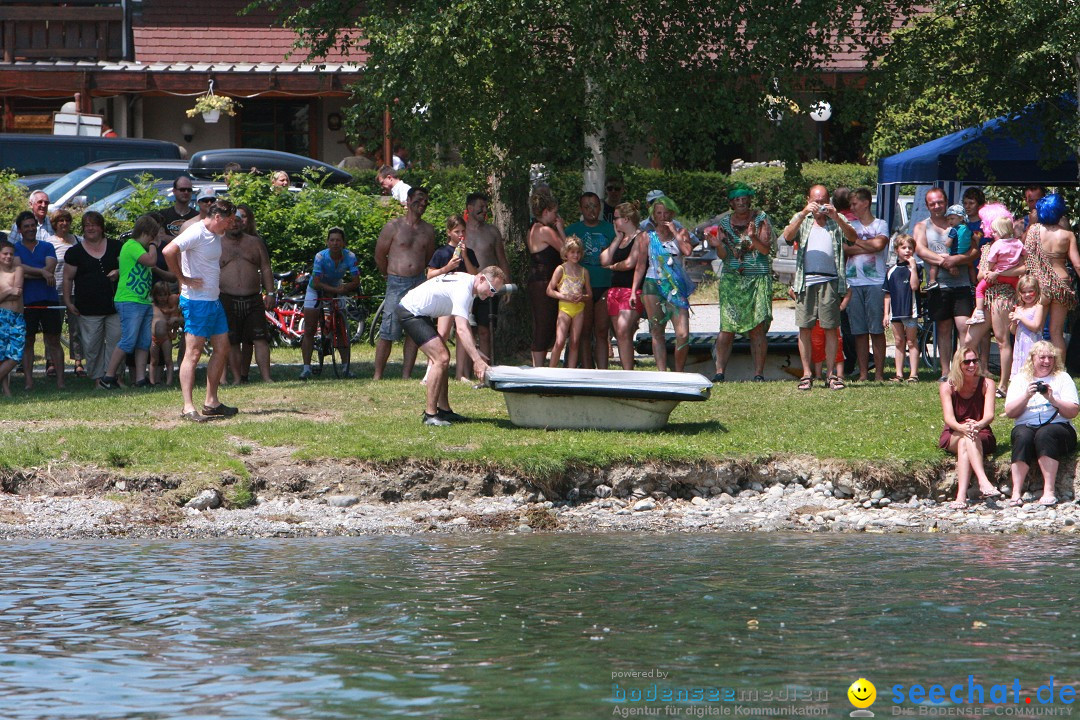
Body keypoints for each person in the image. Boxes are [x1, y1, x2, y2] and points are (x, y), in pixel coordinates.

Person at [396, 266, 506, 426]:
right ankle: (430, 415)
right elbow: (460, 329)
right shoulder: (463, 289)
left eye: (494, 292)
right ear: (481, 278)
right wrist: (477, 360)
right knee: (441, 358)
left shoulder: (468, 286)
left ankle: (444, 410)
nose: (491, 295)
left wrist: (474, 350)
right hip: (410, 312)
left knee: (443, 357)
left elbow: (464, 325)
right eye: (491, 289)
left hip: (419, 313)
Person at [161, 199, 239, 423]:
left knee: (222, 348)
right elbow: (168, 250)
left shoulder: (216, 234)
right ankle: (187, 407)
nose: (230, 225)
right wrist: (182, 278)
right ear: (217, 218)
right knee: (193, 354)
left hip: (213, 300)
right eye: (229, 221)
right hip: (196, 302)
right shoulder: (196, 232)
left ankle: (211, 402)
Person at [780, 184, 858, 390]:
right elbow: (787, 236)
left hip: (831, 282)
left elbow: (853, 237)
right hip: (805, 282)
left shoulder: (836, 220)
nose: (820, 205)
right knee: (804, 328)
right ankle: (807, 375)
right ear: (808, 200)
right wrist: (803, 213)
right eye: (816, 201)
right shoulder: (802, 219)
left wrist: (837, 217)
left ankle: (831, 375)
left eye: (824, 201)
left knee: (831, 328)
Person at [706, 183, 773, 383]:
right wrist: (718, 245)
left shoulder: (761, 219)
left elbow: (765, 250)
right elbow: (724, 254)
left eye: (745, 199)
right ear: (732, 203)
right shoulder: (725, 224)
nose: (742, 203)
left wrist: (753, 236)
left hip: (757, 277)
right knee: (727, 327)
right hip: (732, 279)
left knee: (757, 328)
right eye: (737, 200)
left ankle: (758, 373)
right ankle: (719, 372)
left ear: (750, 201)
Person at [1004, 340, 1079, 506]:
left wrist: (1052, 399)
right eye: (1042, 357)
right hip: (1027, 426)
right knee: (1022, 436)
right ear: (1032, 358)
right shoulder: (1020, 379)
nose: (1047, 361)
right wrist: (1026, 396)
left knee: (1045, 434)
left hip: (1059, 428)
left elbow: (1073, 412)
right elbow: (1010, 413)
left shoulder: (1062, 378)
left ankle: (1049, 490)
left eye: (1050, 358)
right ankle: (1016, 491)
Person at [373, 186, 436, 380]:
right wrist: (388, 275)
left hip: (418, 282)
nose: (421, 204)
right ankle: (377, 374)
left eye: (425, 201)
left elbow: (429, 257)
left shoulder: (428, 230)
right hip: (396, 281)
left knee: (413, 328)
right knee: (388, 328)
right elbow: (379, 255)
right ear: (408, 202)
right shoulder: (393, 227)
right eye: (417, 200)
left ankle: (406, 374)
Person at [914, 187, 975, 379]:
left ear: (946, 202)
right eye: (932, 203)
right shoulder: (922, 226)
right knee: (943, 328)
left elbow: (974, 252)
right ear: (927, 206)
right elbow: (921, 251)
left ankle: (964, 369)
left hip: (962, 284)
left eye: (940, 202)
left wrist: (956, 260)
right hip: (938, 286)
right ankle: (946, 371)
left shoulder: (960, 223)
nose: (937, 206)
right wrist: (945, 262)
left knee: (964, 327)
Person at [97, 214, 159, 390]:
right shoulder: (131, 245)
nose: (152, 241)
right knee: (129, 340)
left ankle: (140, 379)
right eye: (152, 237)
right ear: (147, 233)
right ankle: (108, 377)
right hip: (129, 299)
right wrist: (154, 246)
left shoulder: (138, 247)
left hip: (144, 300)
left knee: (143, 341)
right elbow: (151, 261)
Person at [635, 194, 693, 372]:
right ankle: (661, 372)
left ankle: (678, 371)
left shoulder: (681, 233)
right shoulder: (647, 236)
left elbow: (687, 251)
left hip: (676, 286)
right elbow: (640, 264)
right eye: (659, 213)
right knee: (657, 330)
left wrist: (675, 233)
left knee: (682, 333)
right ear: (653, 215)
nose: (663, 217)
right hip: (653, 284)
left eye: (666, 213)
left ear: (672, 214)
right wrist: (633, 290)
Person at [62, 211, 120, 382]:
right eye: (86, 225)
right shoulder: (75, 252)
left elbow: (129, 268)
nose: (90, 228)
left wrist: (119, 271)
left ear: (101, 227)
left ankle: (113, 377)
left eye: (93, 224)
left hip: (115, 306)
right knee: (92, 347)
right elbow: (67, 278)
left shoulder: (117, 246)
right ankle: (97, 379)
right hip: (87, 308)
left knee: (116, 344)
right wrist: (67, 301)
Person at [938, 346, 999, 509]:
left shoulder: (988, 384)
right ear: (958, 364)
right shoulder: (947, 386)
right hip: (954, 432)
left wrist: (977, 425)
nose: (972, 365)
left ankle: (960, 496)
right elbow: (949, 418)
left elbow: (989, 415)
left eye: (975, 361)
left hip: (981, 432)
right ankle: (983, 481)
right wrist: (962, 427)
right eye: (967, 362)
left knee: (966, 441)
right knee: (966, 437)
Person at [219, 206, 274, 384]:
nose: (235, 224)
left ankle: (266, 377)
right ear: (225, 223)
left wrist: (271, 292)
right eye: (231, 221)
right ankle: (236, 378)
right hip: (227, 297)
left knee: (260, 339)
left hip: (253, 298)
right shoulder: (217, 243)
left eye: (238, 220)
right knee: (232, 341)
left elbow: (266, 267)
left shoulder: (255, 242)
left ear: (244, 222)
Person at [299, 227, 361, 380]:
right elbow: (317, 282)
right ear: (327, 242)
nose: (335, 243)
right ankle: (306, 368)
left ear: (343, 243)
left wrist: (344, 288)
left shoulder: (350, 256)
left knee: (341, 330)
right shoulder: (320, 256)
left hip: (336, 287)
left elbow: (356, 280)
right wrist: (335, 289)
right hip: (316, 290)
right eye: (332, 240)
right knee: (310, 328)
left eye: (338, 240)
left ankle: (346, 367)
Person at [1022, 193, 1080, 356]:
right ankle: (1060, 374)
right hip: (1061, 284)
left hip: (1040, 283)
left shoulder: (1034, 230)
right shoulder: (1067, 235)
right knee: (1056, 333)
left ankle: (1034, 370)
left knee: (1036, 329)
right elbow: (1077, 264)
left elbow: (1027, 256)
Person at [425, 214, 478, 382]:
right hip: (446, 297)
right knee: (442, 332)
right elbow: (429, 275)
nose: (461, 235)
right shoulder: (441, 252)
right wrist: (446, 268)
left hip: (464, 297)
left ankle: (461, 373)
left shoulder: (469, 252)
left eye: (463, 231)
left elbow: (475, 275)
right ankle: (431, 370)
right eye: (457, 231)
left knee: (464, 332)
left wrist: (465, 256)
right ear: (449, 232)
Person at [13, 210, 63, 391]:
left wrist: (30, 273)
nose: (30, 229)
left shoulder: (47, 246)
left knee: (54, 340)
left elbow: (50, 266)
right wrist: (41, 272)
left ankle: (60, 382)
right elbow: (18, 268)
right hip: (26, 301)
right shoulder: (15, 249)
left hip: (48, 299)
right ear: (19, 230)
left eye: (33, 225)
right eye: (26, 226)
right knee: (28, 341)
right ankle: (28, 382)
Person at [564, 192, 614, 368]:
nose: (591, 210)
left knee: (601, 330)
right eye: (587, 206)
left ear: (600, 207)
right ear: (581, 208)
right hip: (581, 287)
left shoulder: (610, 229)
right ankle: (586, 369)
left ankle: (603, 371)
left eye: (594, 205)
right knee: (583, 332)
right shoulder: (572, 230)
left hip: (605, 284)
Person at [463, 193, 511, 365]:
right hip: (466, 286)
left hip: (487, 287)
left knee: (485, 329)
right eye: (480, 207)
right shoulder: (462, 231)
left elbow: (502, 259)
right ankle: (465, 370)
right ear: (469, 208)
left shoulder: (492, 232)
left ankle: (485, 367)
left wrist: (507, 285)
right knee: (467, 328)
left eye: (486, 207)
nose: (484, 211)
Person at [600, 201, 645, 370]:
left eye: (616, 218)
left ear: (626, 219)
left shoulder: (640, 237)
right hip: (614, 290)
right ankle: (626, 369)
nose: (614, 222)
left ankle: (628, 370)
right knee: (620, 333)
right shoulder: (621, 239)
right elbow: (603, 259)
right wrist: (617, 238)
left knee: (624, 329)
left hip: (631, 289)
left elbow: (630, 263)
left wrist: (612, 267)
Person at [526, 186, 564, 366]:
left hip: (538, 280)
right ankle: (538, 366)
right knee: (544, 323)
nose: (556, 216)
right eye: (554, 212)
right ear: (546, 211)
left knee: (543, 322)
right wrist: (561, 229)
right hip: (544, 282)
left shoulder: (533, 228)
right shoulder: (545, 231)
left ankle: (540, 364)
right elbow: (566, 252)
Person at [47, 209, 84, 378]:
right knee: (53, 329)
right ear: (54, 224)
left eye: (67, 220)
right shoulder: (49, 243)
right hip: (55, 291)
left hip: (76, 291)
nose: (64, 224)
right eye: (60, 221)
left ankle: (78, 362)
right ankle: (51, 362)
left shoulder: (78, 241)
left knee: (76, 329)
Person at [968, 217, 1023, 326]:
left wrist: (995, 273)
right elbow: (980, 276)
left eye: (984, 224)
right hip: (991, 295)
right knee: (972, 340)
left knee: (1001, 338)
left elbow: (1023, 268)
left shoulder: (996, 245)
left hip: (1004, 297)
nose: (981, 227)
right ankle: (1019, 307)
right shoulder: (1016, 243)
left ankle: (979, 312)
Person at [546, 236, 591, 369]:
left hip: (579, 308)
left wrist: (582, 297)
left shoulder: (584, 271)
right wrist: (564, 296)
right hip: (564, 308)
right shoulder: (561, 269)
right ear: (566, 253)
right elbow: (549, 290)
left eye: (578, 252)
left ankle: (571, 371)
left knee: (575, 341)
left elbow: (589, 294)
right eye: (572, 252)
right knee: (559, 341)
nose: (575, 255)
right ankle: (551, 370)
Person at [883, 234, 921, 382]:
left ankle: (913, 374)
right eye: (903, 248)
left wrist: (912, 268)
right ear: (896, 250)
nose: (907, 251)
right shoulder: (891, 271)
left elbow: (914, 286)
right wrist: (886, 314)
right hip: (895, 312)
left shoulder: (916, 268)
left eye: (910, 248)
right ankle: (899, 374)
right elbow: (887, 294)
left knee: (911, 341)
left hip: (910, 310)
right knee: (899, 341)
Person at [1009, 276, 1046, 383]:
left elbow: (1035, 327)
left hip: (1032, 343)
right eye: (1024, 292)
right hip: (1020, 345)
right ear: (1019, 293)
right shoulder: (1019, 308)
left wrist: (1020, 317)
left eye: (1031, 291)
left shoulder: (1038, 307)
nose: (1027, 294)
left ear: (1037, 291)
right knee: (1021, 366)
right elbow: (1012, 331)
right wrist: (1014, 321)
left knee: (1033, 365)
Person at [926, 205, 972, 289]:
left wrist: (947, 242)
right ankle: (973, 282)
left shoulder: (954, 230)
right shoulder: (967, 228)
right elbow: (974, 238)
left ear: (961, 218)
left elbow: (948, 244)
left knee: (935, 259)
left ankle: (932, 281)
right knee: (971, 266)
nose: (950, 221)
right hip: (964, 254)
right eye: (948, 219)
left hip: (954, 254)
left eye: (952, 218)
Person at [0, 240, 24, 396]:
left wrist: (6, 292)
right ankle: (6, 391)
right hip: (2, 316)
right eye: (4, 254)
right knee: (1, 355)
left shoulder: (18, 269)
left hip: (17, 317)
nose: (8, 256)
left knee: (16, 355)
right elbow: (12, 290)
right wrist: (9, 290)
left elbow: (18, 292)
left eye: (11, 254)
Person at [149, 281, 180, 386]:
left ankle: (169, 382)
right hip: (153, 338)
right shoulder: (152, 306)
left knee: (168, 360)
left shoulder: (171, 307)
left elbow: (175, 322)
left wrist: (173, 327)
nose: (162, 298)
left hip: (166, 338)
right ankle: (152, 382)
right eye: (159, 295)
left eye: (165, 295)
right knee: (153, 361)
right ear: (155, 295)